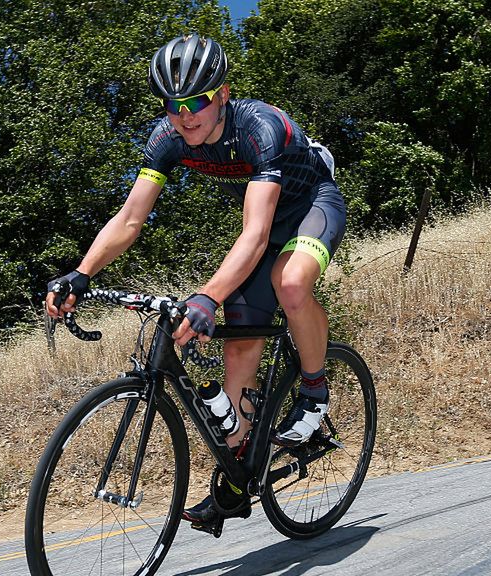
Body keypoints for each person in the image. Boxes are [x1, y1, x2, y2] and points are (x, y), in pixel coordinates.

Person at [45, 34, 346, 528]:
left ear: (222, 94)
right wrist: (82, 273)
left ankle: (314, 394)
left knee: (290, 284)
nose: (185, 116)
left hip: (312, 205)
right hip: (264, 224)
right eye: (172, 104)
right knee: (235, 365)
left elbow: (255, 233)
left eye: (196, 102)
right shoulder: (165, 140)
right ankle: (234, 487)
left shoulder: (259, 128)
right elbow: (129, 219)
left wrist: (208, 294)